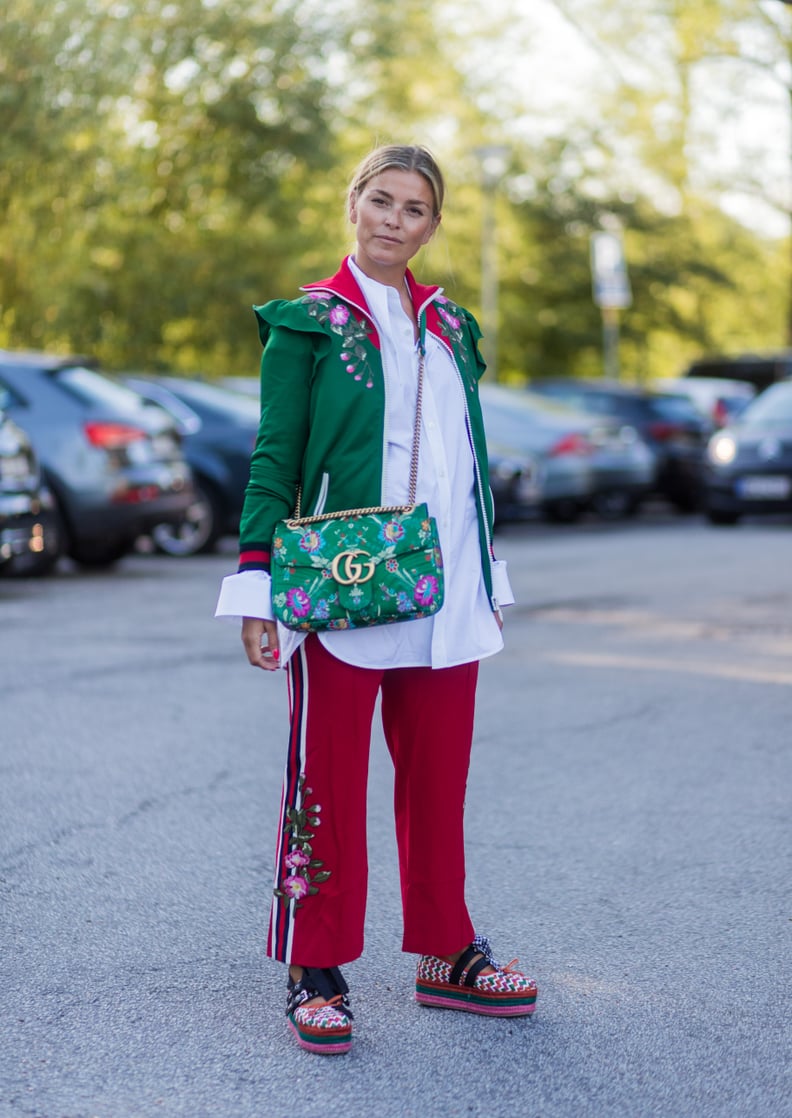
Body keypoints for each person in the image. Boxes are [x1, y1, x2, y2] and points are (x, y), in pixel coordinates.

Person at [215, 143, 538, 1055]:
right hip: (342, 586)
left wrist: (487, 579)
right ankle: (314, 964)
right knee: (328, 783)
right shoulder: (307, 323)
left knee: (440, 781)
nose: (397, 220)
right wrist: (257, 587)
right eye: (382, 200)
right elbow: (276, 456)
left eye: (417, 209)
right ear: (353, 203)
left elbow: (465, 456)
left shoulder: (451, 323)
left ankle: (446, 950)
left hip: (450, 584)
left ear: (434, 225)